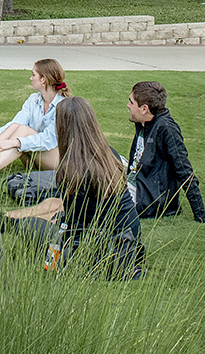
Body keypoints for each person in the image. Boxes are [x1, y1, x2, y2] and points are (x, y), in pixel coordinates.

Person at [52, 96, 142, 270]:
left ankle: (6, 222)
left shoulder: (72, 170)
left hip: (103, 246)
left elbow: (75, 224)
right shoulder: (109, 155)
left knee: (33, 227)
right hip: (129, 238)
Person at [125, 82, 205, 227]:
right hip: (135, 182)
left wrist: (202, 218)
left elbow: (184, 171)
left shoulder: (167, 130)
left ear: (144, 109)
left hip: (149, 197)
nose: (128, 105)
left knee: (98, 198)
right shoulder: (143, 123)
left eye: (131, 102)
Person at [0, 59, 68, 178]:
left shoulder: (63, 105)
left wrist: (14, 142)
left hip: (57, 160)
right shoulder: (33, 99)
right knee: (17, 128)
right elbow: (17, 122)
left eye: (33, 75)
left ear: (43, 80)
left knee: (24, 131)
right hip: (33, 157)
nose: (31, 78)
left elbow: (47, 140)